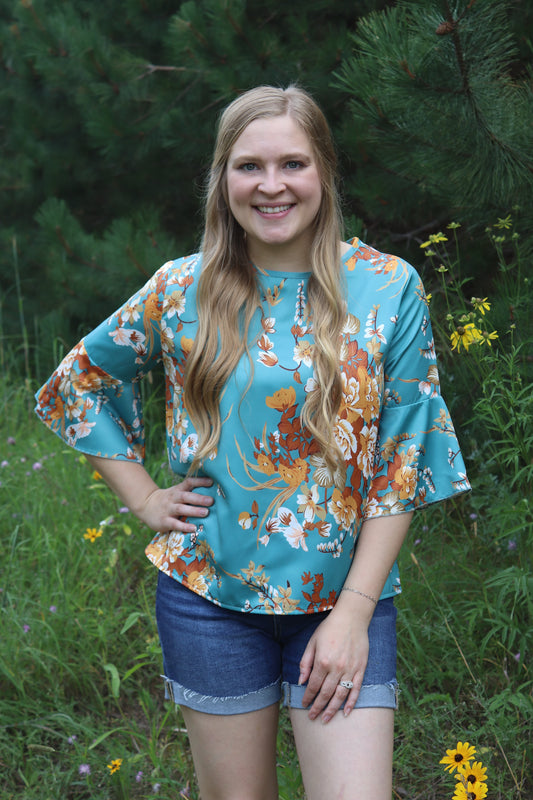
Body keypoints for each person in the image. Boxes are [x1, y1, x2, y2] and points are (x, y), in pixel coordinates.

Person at [35, 85, 470, 800]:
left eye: (292, 163)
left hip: (344, 601)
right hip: (208, 598)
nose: (271, 185)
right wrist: (144, 496)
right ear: (222, 178)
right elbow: (77, 383)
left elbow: (403, 461)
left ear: (324, 171)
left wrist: (354, 613)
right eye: (248, 166)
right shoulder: (183, 288)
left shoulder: (387, 288)